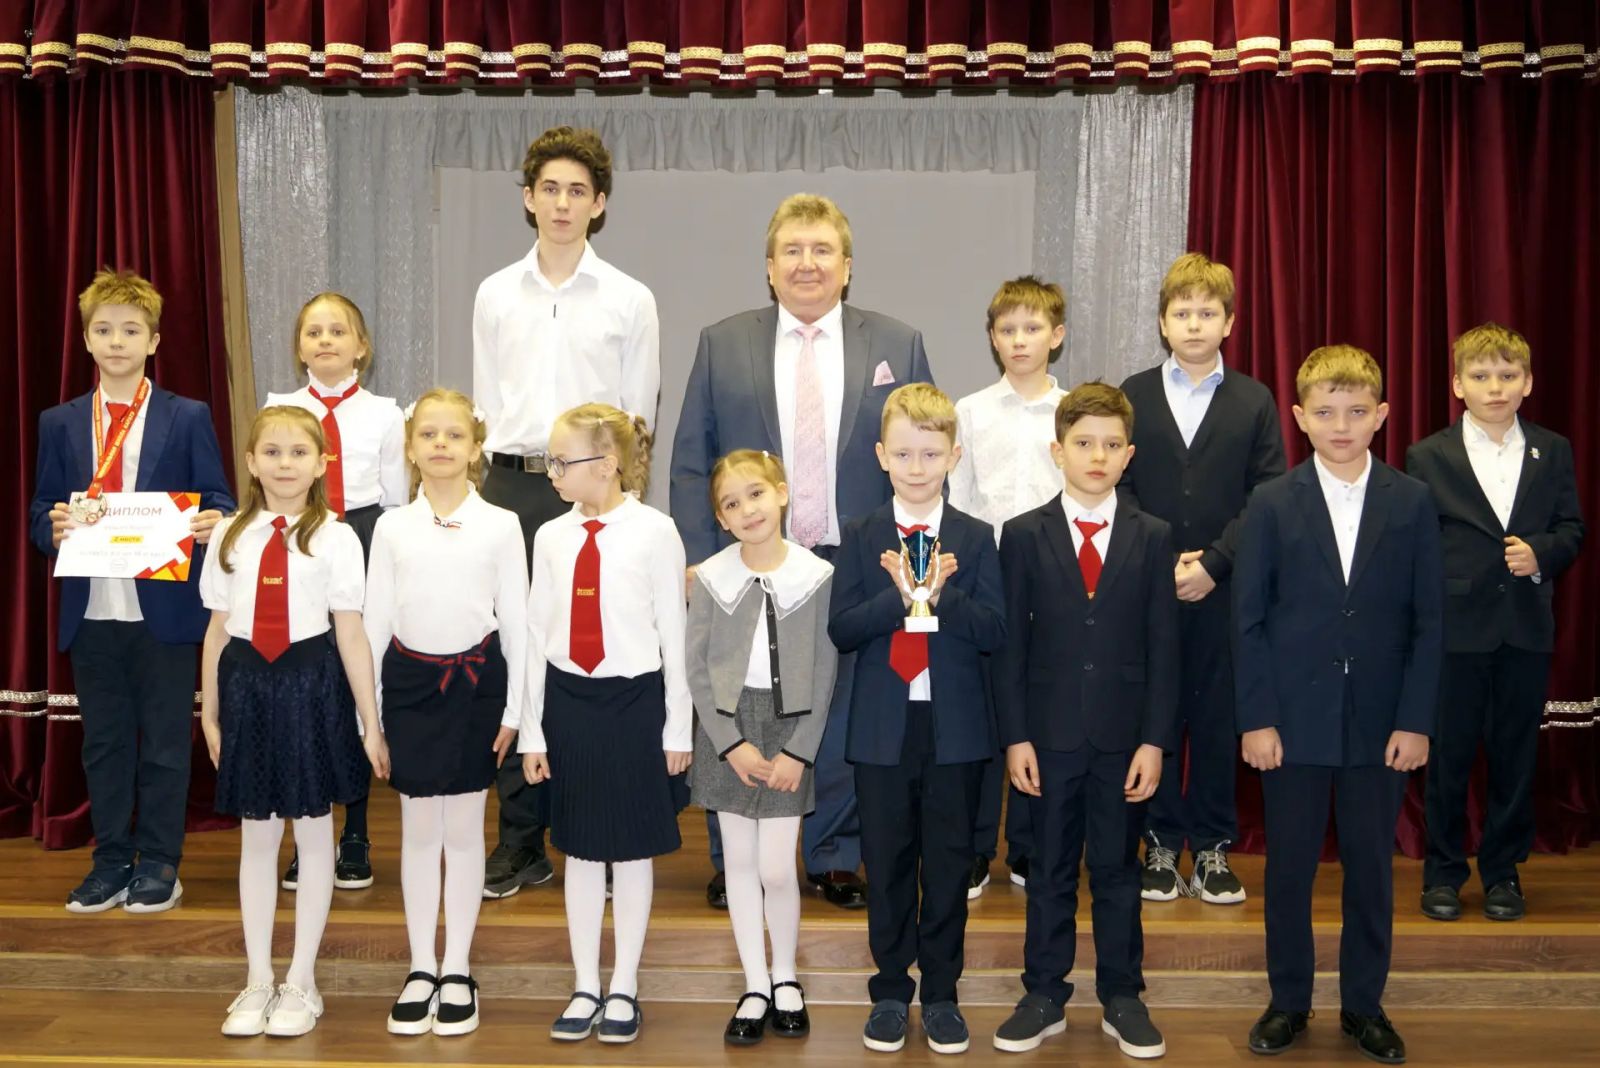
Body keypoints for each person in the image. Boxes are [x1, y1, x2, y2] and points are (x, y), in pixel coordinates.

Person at [671, 192, 934, 912]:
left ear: (847, 266)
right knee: (737, 698)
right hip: (748, 558)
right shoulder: (723, 343)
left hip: (857, 563)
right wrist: (699, 557)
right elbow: (692, 459)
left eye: (822, 250)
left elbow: (922, 451)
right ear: (769, 266)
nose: (807, 263)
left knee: (839, 707)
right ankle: (733, 856)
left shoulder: (898, 342)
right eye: (792, 250)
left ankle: (834, 853)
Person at [1234, 345, 1442, 1065]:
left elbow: (1429, 621)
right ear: (1300, 417)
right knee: (1289, 869)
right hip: (1291, 722)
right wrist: (1257, 718)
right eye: (1325, 412)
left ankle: (1364, 1006)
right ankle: (1288, 1000)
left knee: (1371, 869)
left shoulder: (1412, 501)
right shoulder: (1271, 502)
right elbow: (1248, 619)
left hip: (1381, 724)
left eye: (1356, 411)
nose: (1341, 425)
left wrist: (1415, 720)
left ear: (1381, 415)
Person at [473, 125, 661, 899]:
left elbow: (638, 415)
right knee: (518, 657)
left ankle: (595, 832)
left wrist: (625, 503)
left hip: (598, 493)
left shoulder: (630, 298)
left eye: (577, 190)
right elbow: (486, 404)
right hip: (512, 487)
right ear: (528, 198)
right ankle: (520, 841)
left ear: (599, 204)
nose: (561, 202)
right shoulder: (494, 293)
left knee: (591, 658)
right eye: (549, 188)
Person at [29, 267, 235, 915]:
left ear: (153, 341)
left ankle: (161, 863)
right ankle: (111, 860)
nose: (116, 341)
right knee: (104, 744)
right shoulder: (59, 422)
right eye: (103, 330)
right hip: (91, 611)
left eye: (130, 330)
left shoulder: (188, 416)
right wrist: (50, 527)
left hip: (165, 612)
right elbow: (39, 509)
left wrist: (214, 522)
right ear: (86, 340)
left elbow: (220, 499)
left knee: (167, 744)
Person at [990, 383, 1178, 1059]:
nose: (1097, 456)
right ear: (1058, 451)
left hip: (1124, 738)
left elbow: (1164, 648)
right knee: (1049, 870)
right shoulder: (1023, 534)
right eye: (1083, 443)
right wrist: (1016, 736)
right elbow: (1011, 649)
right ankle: (1043, 993)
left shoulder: (1153, 536)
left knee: (1118, 870)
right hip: (1048, 736)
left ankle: (1123, 996)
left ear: (1129, 455)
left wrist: (1154, 741)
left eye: (1110, 445)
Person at [198, 406, 389, 1038]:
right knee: (257, 837)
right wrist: (210, 712)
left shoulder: (338, 537)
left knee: (312, 836)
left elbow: (351, 632)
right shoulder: (229, 535)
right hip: (247, 687)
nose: (285, 464)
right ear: (251, 463)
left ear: (321, 463)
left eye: (299, 452)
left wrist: (370, 722)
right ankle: (258, 977)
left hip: (311, 685)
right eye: (272, 452)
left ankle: (302, 980)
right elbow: (218, 631)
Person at [828, 383, 1006, 1055]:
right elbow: (843, 628)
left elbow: (994, 632)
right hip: (884, 729)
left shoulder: (976, 538)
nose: (916, 467)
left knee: (949, 865)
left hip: (954, 730)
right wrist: (900, 599)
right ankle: (889, 990)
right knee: (888, 861)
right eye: (903, 454)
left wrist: (942, 597)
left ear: (954, 456)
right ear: (881, 456)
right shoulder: (861, 535)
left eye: (931, 454)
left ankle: (941, 994)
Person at [520, 403, 690, 1045]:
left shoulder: (655, 532)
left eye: (562, 461)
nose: (553, 473)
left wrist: (678, 727)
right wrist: (533, 731)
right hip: (570, 703)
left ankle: (624, 983)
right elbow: (535, 635)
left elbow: (674, 635)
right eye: (550, 461)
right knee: (580, 846)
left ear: (608, 464)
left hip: (635, 704)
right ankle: (586, 981)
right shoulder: (551, 537)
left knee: (633, 846)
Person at [1118, 252, 1285, 905]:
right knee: (1156, 712)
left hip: (1225, 590)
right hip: (1150, 589)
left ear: (1229, 322)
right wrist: (1162, 564)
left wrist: (1215, 564)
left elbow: (1266, 494)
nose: (1194, 324)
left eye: (1207, 313)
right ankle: (1159, 842)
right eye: (1182, 313)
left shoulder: (1253, 400)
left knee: (1217, 719)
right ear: (1162, 322)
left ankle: (1213, 846)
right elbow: (1117, 485)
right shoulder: (1133, 395)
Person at [363, 389, 529, 1037]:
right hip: (408, 688)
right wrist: (371, 718)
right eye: (428, 434)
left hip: (476, 687)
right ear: (410, 448)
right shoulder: (391, 527)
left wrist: (515, 711)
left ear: (476, 448)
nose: (440, 444)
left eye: (454, 435)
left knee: (462, 830)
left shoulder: (502, 525)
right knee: (417, 831)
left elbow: (517, 622)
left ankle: (457, 967)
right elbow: (375, 621)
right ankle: (421, 966)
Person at [1406, 324, 1584, 922]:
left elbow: (1572, 527)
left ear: (1527, 382)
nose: (1495, 387)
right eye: (1481, 376)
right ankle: (1443, 872)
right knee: (1450, 756)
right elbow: (1418, 543)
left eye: (1508, 375)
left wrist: (1543, 554)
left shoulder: (1551, 450)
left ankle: (1504, 873)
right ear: (1458, 384)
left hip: (1525, 627)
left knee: (1515, 756)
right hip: (1457, 630)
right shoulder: (1428, 455)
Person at [688, 449, 838, 1045]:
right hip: (728, 731)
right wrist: (730, 745)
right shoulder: (711, 577)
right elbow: (698, 669)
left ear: (781, 493)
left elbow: (824, 670)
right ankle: (754, 984)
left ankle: (785, 975)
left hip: (788, 730)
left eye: (755, 494)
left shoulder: (815, 576)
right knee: (741, 866)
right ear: (721, 520)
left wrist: (800, 750)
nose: (747, 509)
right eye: (731, 503)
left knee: (777, 867)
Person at [266, 290, 407, 892]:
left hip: (365, 537)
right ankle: (310, 830)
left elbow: (397, 500)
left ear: (361, 347)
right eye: (313, 332)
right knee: (307, 684)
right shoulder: (279, 408)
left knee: (356, 680)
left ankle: (356, 832)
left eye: (338, 331)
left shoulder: (386, 414)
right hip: (301, 543)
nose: (325, 340)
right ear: (299, 347)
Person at [948, 275, 1070, 897]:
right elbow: (960, 499)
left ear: (1057, 335)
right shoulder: (969, 412)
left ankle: (1027, 845)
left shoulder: (1073, 412)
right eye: (1007, 330)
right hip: (986, 579)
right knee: (982, 718)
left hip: (1054, 582)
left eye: (1032, 328)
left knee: (1038, 716)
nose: (1020, 340)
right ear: (992, 338)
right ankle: (974, 847)